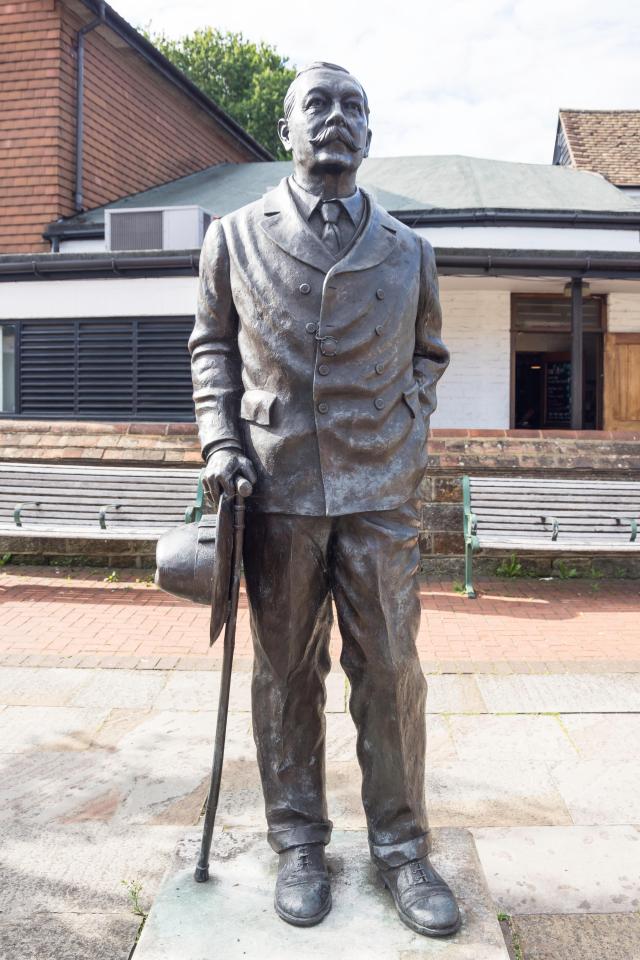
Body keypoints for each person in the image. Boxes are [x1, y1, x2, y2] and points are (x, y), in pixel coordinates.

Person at [189, 61, 460, 938]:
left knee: (390, 669)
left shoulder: (411, 249)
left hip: (380, 488)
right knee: (284, 675)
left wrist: (407, 432)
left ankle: (403, 847)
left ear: (369, 137)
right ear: (287, 131)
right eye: (319, 104)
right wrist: (222, 443)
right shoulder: (233, 237)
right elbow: (212, 352)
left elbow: (430, 356)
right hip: (277, 490)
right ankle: (299, 841)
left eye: (354, 108)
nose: (337, 119)